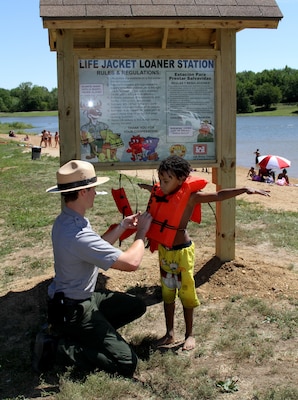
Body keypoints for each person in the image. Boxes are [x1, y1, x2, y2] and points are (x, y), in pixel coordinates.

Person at [33, 160, 152, 376]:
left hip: (77, 300)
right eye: (94, 188)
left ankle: (87, 334)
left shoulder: (68, 220)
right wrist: (142, 234)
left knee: (136, 306)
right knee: (127, 364)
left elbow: (96, 246)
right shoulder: (78, 234)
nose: (96, 193)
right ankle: (59, 348)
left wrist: (122, 226)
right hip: (75, 308)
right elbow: (130, 263)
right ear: (83, 192)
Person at [139, 155, 270, 351]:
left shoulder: (191, 197)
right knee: (167, 293)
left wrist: (244, 189)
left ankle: (189, 334)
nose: (162, 185)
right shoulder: (161, 193)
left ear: (181, 180)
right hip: (165, 252)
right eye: (160, 180)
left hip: (182, 252)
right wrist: (149, 188)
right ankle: (169, 333)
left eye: (166, 181)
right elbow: (156, 191)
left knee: (186, 293)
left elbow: (218, 196)